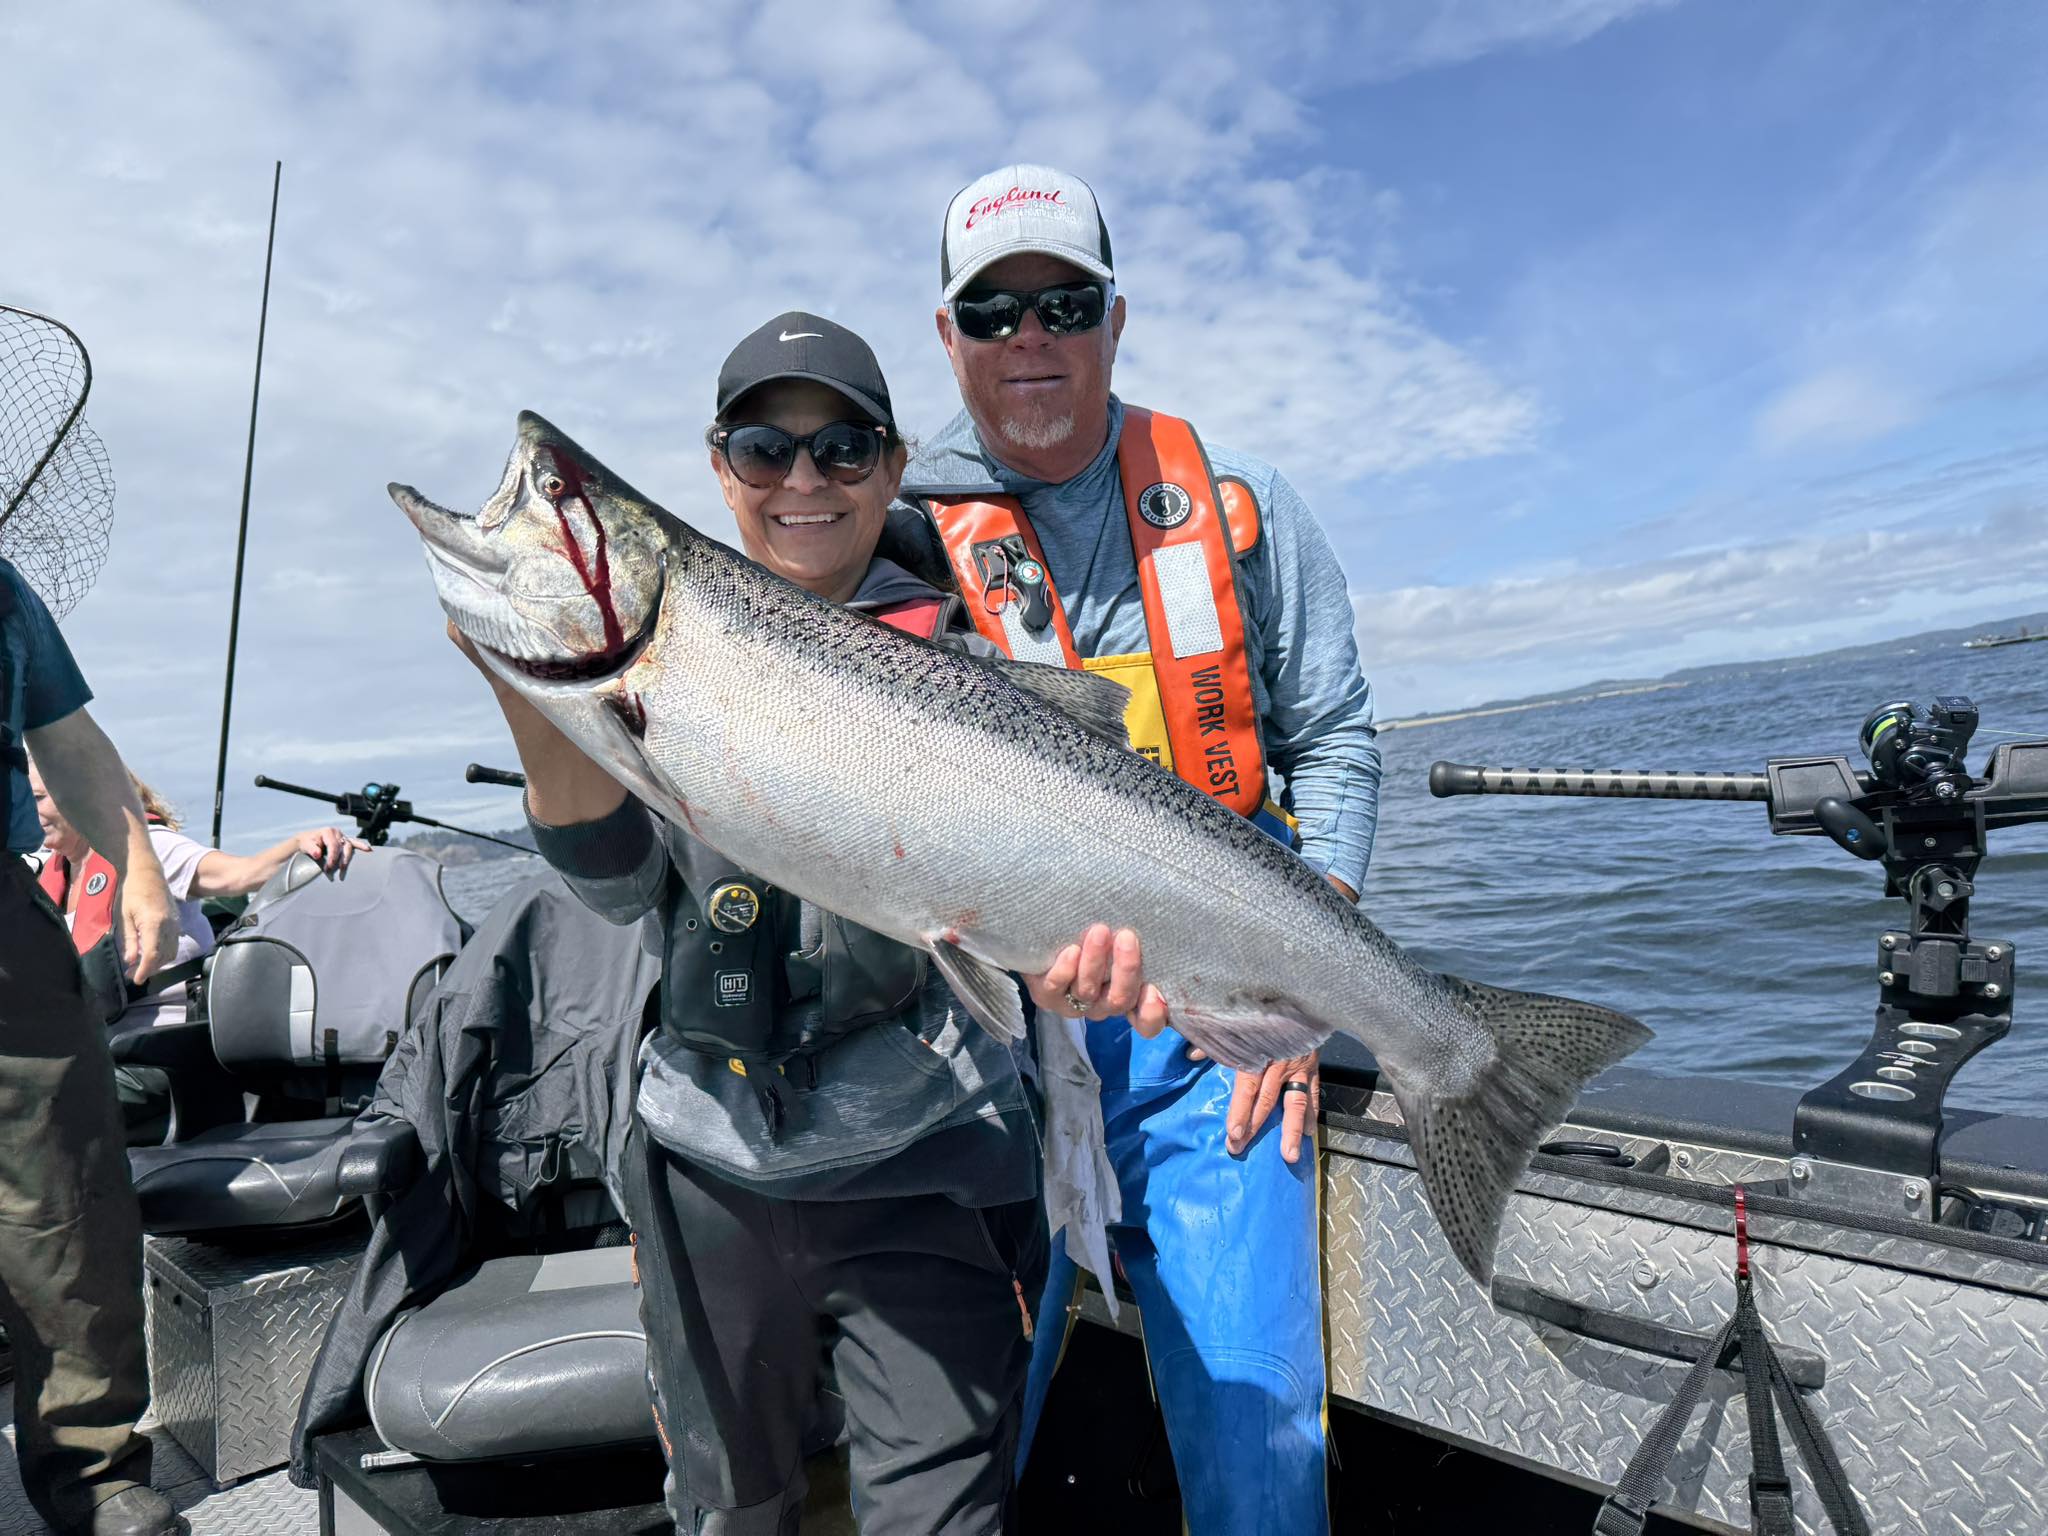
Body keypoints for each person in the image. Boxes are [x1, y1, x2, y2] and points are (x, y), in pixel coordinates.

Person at [451, 312, 1097, 1534]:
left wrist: (1065, 969)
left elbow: (1035, 949)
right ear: (718, 466)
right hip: (708, 1172)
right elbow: (619, 891)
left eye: (843, 448)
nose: (803, 479)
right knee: (728, 1512)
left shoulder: (967, 659)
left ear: (893, 469)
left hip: (934, 1173)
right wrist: (533, 703)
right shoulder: (677, 649)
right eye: (764, 448)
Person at [897, 164, 1384, 1533]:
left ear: (1116, 316)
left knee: (1258, 1463)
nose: (1030, 339)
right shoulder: (898, 535)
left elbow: (1337, 738)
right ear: (949, 339)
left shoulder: (1243, 508)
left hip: (1208, 1048)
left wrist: (1303, 986)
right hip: (988, 1064)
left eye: (1063, 303)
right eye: (992, 314)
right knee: (969, 1472)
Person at [1, 551, 186, 1536]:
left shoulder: (2, 590)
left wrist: (142, 873)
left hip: (5, 928)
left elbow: (66, 738)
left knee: (64, 1191)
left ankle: (95, 1471)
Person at [27, 760, 365, 1028]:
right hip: (93, 1043)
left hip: (159, 1041)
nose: (29, 810)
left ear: (83, 793)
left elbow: (242, 875)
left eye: (39, 798)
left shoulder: (150, 849)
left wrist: (300, 843)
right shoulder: (44, 873)